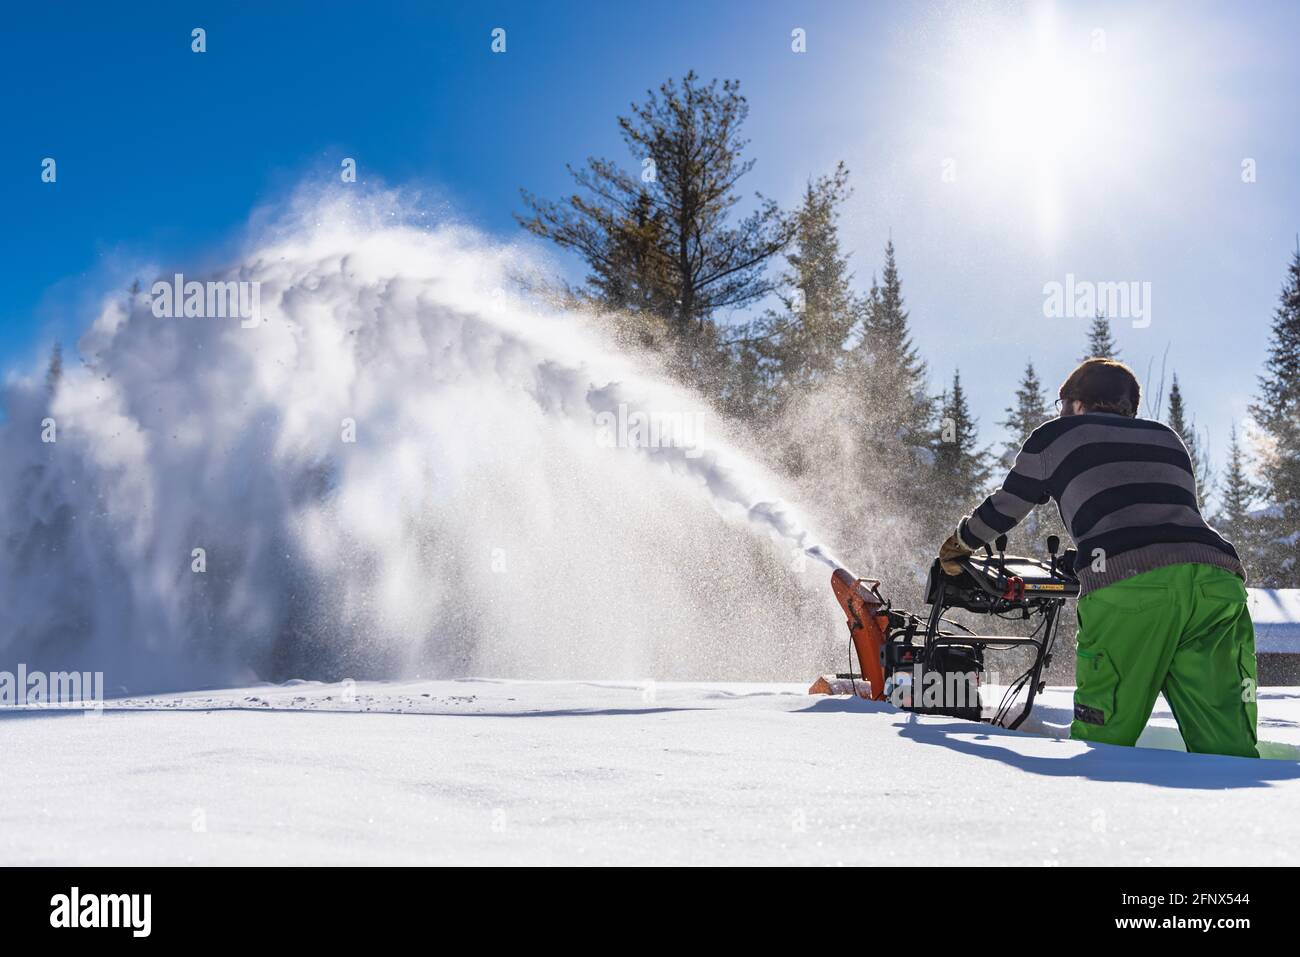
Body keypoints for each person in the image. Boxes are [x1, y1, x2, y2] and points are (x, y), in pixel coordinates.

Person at [938, 358, 1258, 757]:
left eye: (1063, 403)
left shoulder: (1057, 435)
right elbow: (1152, 517)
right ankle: (1238, 810)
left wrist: (961, 541)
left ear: (1075, 402)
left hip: (1133, 590)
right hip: (1217, 582)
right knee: (1225, 737)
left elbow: (1007, 507)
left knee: (1106, 733)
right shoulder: (1166, 438)